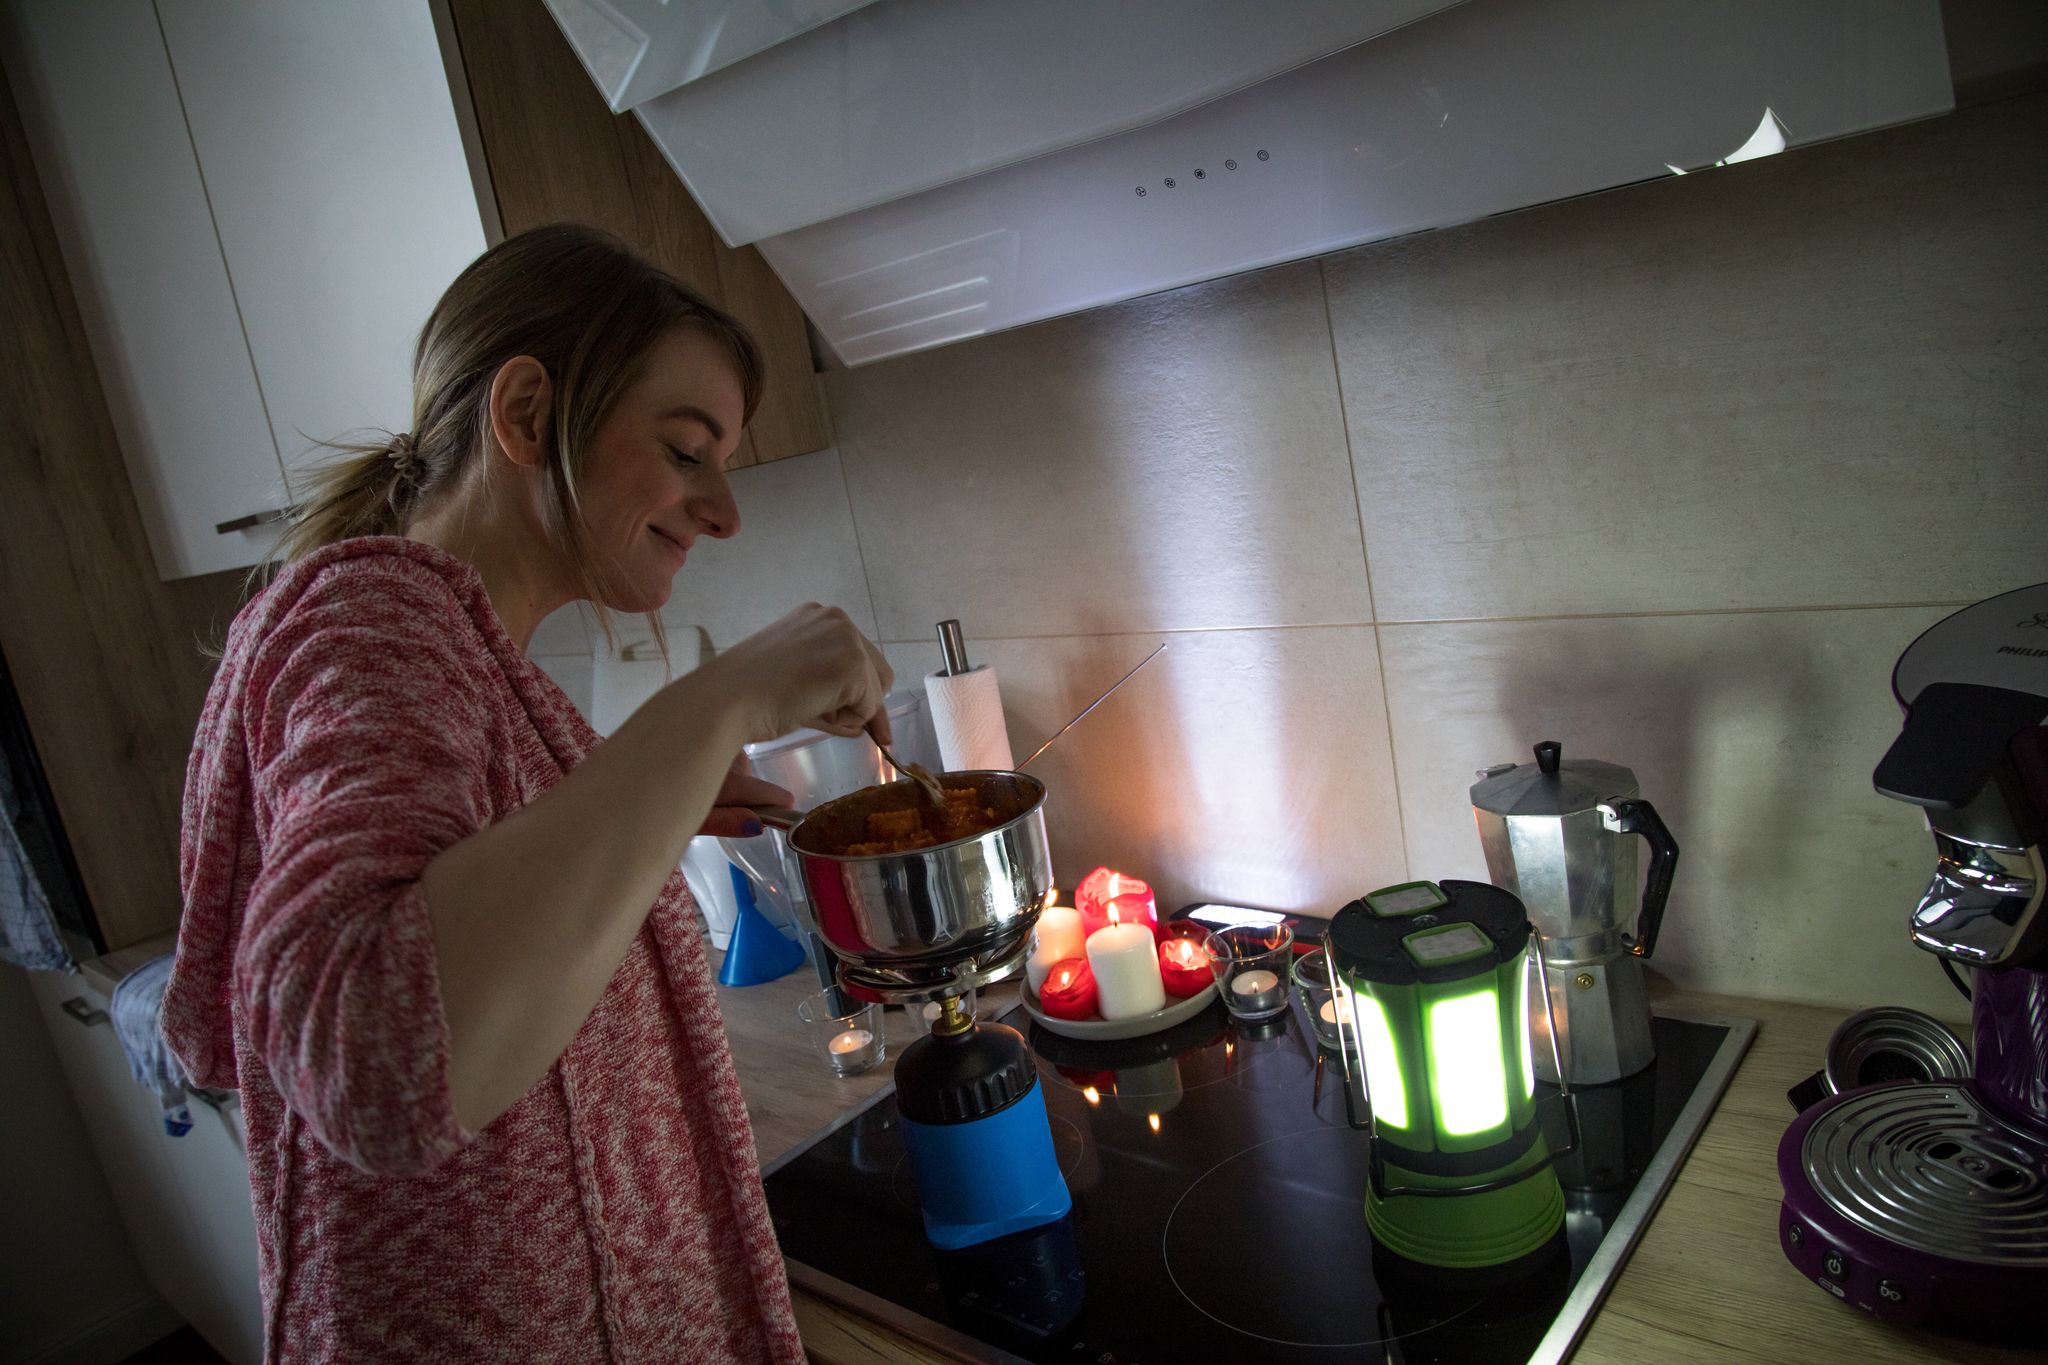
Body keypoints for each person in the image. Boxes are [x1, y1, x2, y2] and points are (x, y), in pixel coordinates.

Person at [162, 224, 892, 1362]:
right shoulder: (374, 620)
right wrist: (720, 701)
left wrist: (634, 803)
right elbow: (380, 1061)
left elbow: (455, 895)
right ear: (526, 416)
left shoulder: (462, 653)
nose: (722, 510)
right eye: (685, 449)